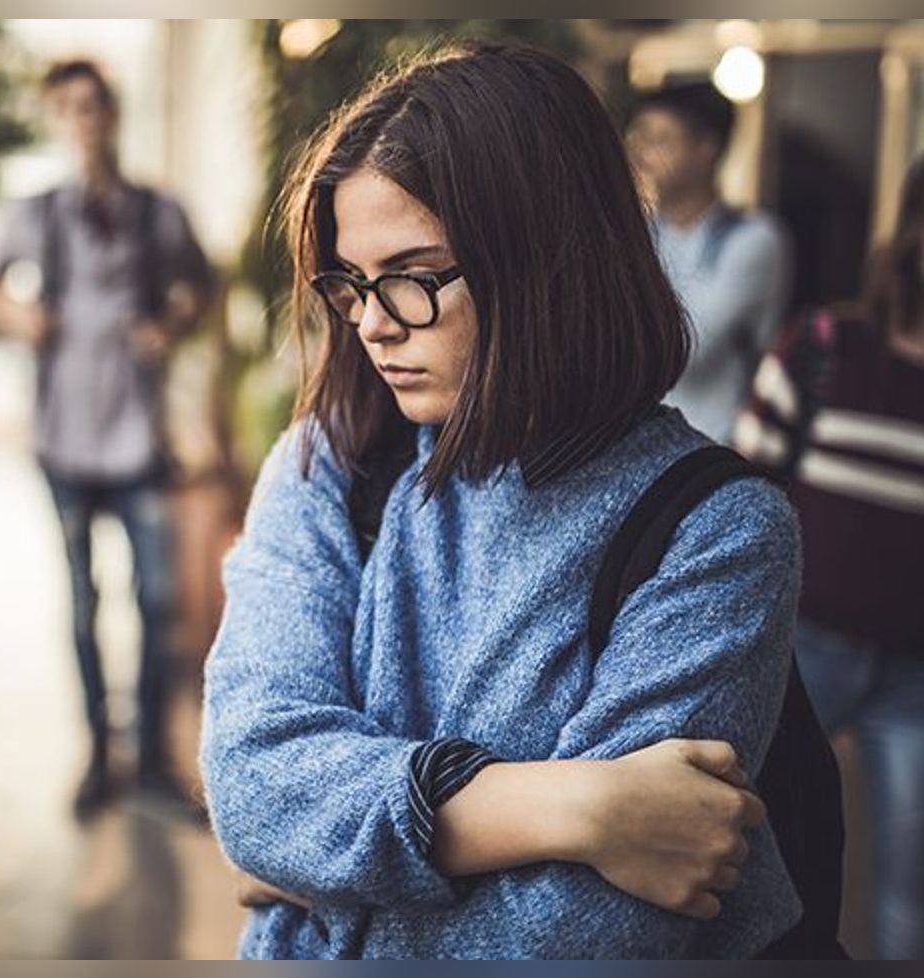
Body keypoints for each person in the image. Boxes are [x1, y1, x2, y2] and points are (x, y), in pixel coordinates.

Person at [200, 43, 803, 959]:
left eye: (411, 275)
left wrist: (315, 873)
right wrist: (574, 807)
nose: (370, 322)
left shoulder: (714, 531)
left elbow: (582, 936)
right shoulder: (336, 458)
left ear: (546, 259)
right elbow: (252, 784)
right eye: (350, 283)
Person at [0, 60, 214, 816]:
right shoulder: (37, 212)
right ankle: (95, 751)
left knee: (156, 599)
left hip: (137, 436)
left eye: (95, 107)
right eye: (70, 109)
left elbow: (201, 287)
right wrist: (20, 318)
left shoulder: (156, 211)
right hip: (64, 437)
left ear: (113, 115)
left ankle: (150, 754)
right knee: (81, 601)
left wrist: (168, 324)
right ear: (58, 120)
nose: (85, 121)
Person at [735, 157, 924, 960]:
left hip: (916, 675)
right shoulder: (823, 347)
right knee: (745, 861)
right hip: (800, 648)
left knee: (907, 897)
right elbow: (740, 495)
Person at [626, 81, 792, 444]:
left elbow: (686, 347)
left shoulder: (753, 240)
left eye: (661, 140)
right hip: (645, 444)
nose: (641, 154)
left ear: (707, 149)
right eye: (639, 138)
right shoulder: (641, 235)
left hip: (719, 447)